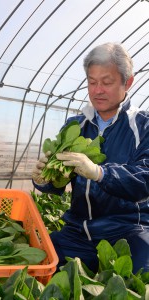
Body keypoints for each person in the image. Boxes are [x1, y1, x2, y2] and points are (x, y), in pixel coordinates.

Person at [32, 42, 149, 273]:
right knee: (39, 266)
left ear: (128, 83)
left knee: (142, 276)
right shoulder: (75, 125)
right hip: (78, 231)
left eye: (106, 82)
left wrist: (100, 173)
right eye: (92, 82)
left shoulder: (143, 125)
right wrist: (45, 180)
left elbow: (145, 179)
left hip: (128, 230)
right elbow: (59, 184)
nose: (97, 90)